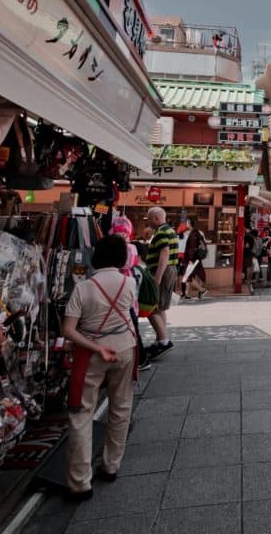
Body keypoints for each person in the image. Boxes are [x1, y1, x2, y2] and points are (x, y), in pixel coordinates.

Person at [63, 235, 137, 500]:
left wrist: (96, 348)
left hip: (92, 353)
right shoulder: (130, 283)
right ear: (122, 258)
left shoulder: (84, 288)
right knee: (121, 407)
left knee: (82, 413)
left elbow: (68, 330)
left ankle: (80, 481)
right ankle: (111, 465)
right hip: (125, 348)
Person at [110, 216, 149, 372]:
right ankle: (137, 358)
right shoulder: (131, 248)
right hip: (126, 288)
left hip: (123, 289)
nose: (120, 236)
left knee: (131, 324)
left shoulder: (128, 249)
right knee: (130, 323)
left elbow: (124, 263)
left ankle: (140, 358)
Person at [144, 207, 178, 360]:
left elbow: (164, 253)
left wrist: (157, 277)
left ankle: (163, 341)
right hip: (169, 271)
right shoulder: (168, 230)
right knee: (161, 307)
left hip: (163, 272)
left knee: (152, 306)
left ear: (156, 218)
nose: (148, 221)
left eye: (149, 218)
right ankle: (161, 339)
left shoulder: (162, 231)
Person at [181, 217, 208, 300]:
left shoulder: (192, 235)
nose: (186, 224)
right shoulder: (198, 233)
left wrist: (189, 260)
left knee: (188, 276)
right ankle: (187, 294)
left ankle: (202, 290)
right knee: (190, 276)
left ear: (190, 224)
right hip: (196, 259)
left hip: (192, 259)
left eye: (187, 223)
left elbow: (191, 248)